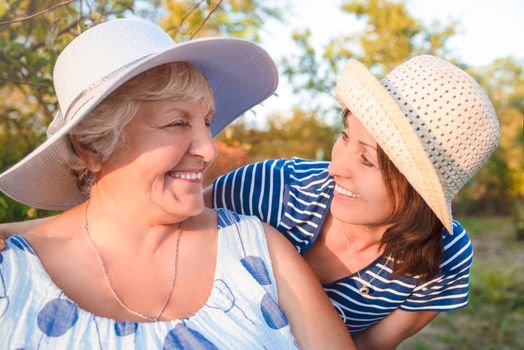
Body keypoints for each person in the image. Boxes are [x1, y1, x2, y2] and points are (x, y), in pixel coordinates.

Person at [0, 41, 499, 350]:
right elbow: (152, 212)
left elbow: (372, 345)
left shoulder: (444, 257)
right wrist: (24, 232)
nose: (336, 165)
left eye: (368, 160)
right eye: (345, 136)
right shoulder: (271, 191)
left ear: (423, 196)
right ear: (91, 147)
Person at [0, 18, 354, 349]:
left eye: (207, 122)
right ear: (91, 147)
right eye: (176, 123)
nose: (208, 150)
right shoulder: (11, 272)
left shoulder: (259, 250)